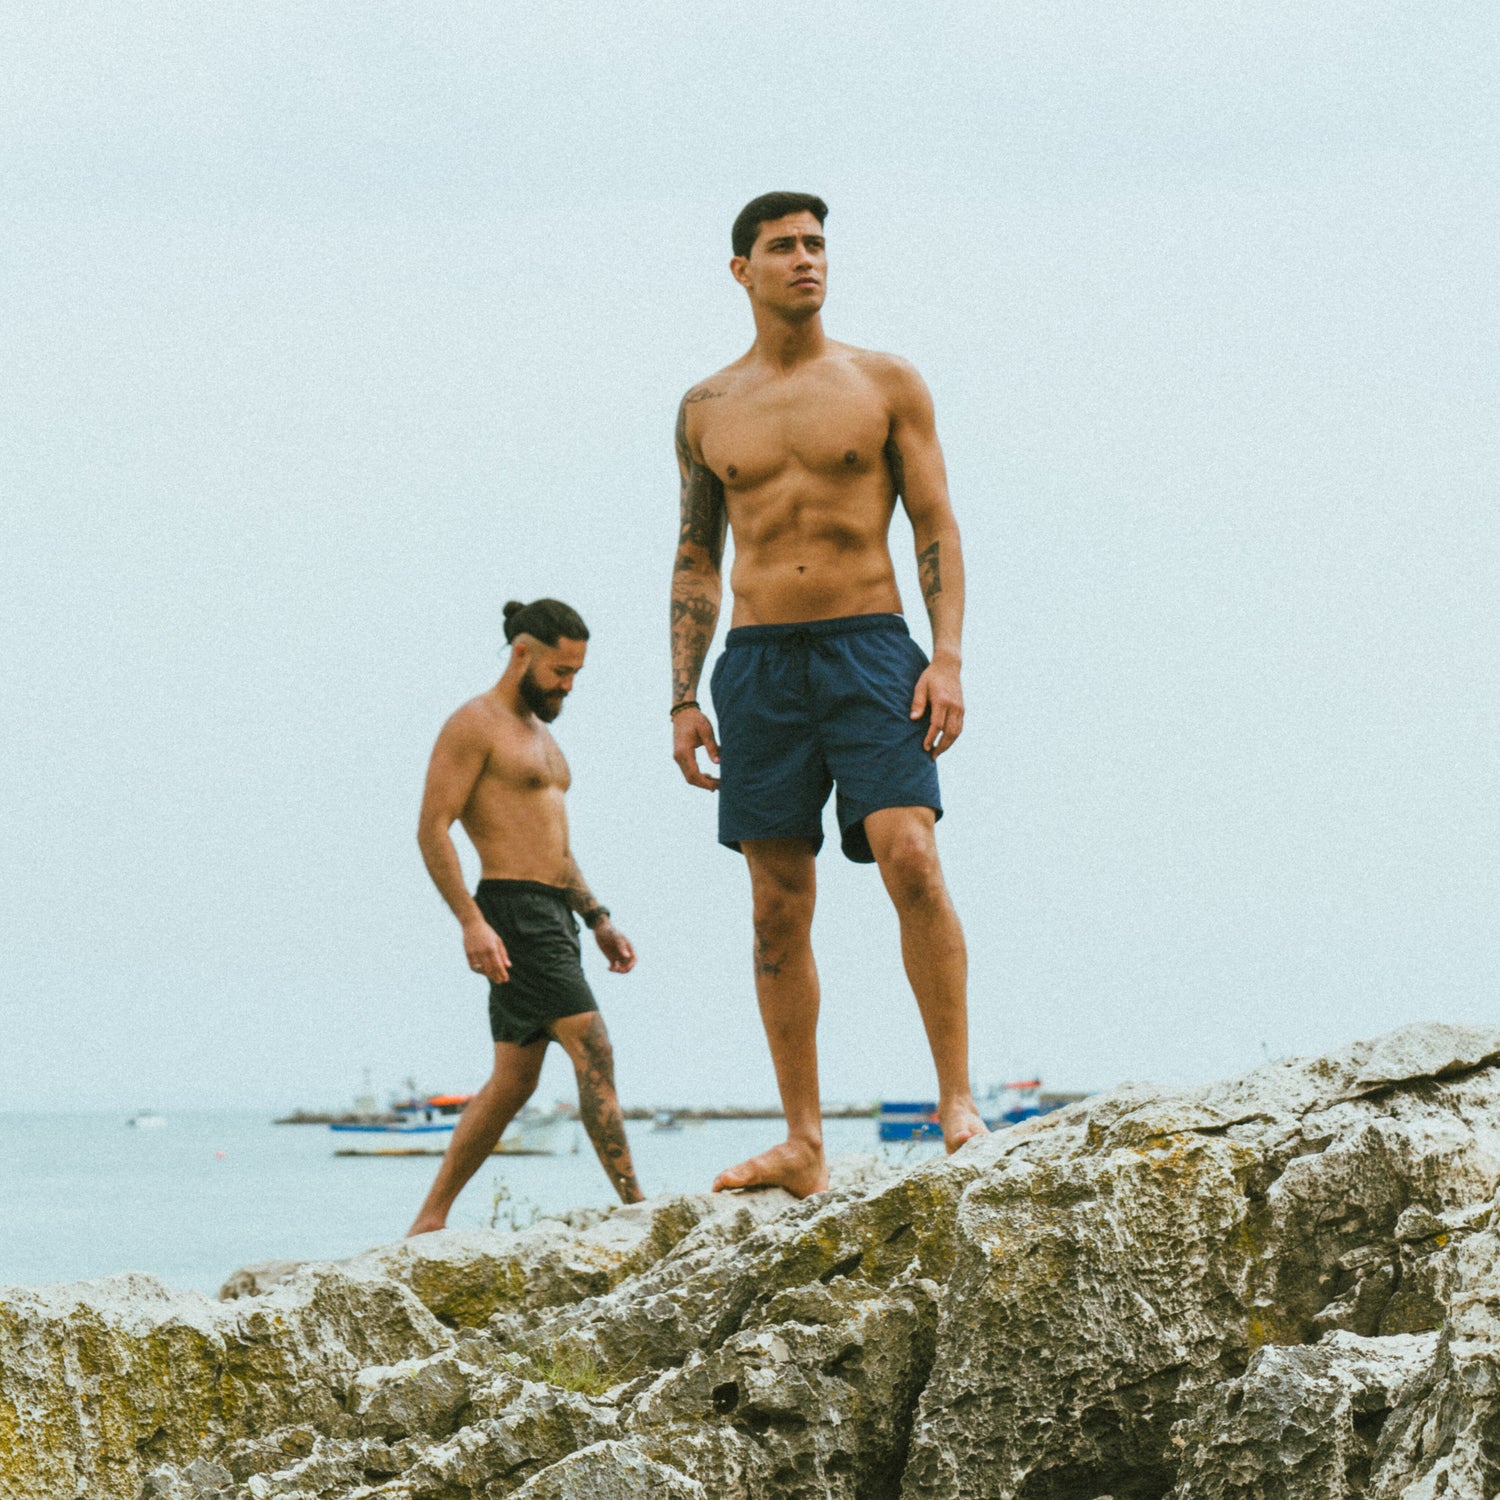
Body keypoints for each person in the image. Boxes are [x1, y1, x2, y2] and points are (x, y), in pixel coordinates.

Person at [669, 191, 987, 1198]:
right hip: (760, 662)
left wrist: (948, 657)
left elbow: (934, 523)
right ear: (741, 270)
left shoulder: (885, 382)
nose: (806, 260)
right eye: (783, 247)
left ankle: (957, 1104)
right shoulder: (706, 409)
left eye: (816, 244)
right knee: (776, 907)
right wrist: (682, 695)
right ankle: (803, 1142)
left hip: (871, 649)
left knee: (913, 858)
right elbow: (694, 555)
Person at [407, 598, 643, 1234]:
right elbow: (432, 829)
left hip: (553, 913)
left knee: (513, 1081)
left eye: (576, 675)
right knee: (594, 1046)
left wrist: (596, 919)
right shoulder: (474, 724)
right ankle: (636, 1208)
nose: (568, 686)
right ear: (522, 655)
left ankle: (430, 1219)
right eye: (561, 672)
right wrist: (470, 922)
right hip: (511, 910)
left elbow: (555, 849)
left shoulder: (544, 737)